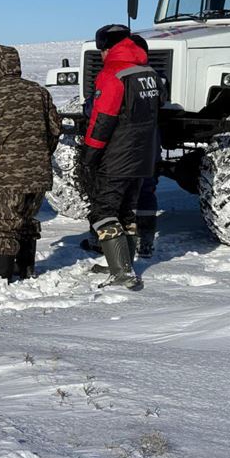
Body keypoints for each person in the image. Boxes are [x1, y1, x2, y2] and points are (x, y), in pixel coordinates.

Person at [80, 25, 162, 290]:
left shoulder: (113, 73)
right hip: (144, 152)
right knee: (126, 209)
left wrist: (90, 151)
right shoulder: (148, 72)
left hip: (118, 153)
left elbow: (103, 118)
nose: (102, 55)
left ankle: (122, 272)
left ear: (108, 48)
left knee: (103, 209)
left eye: (102, 50)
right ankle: (122, 262)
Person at [0, 44, 61, 281]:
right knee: (27, 220)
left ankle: (2, 274)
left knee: (4, 223)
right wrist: (41, 154)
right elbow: (55, 130)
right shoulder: (39, 92)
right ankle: (27, 267)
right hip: (39, 173)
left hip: (7, 174)